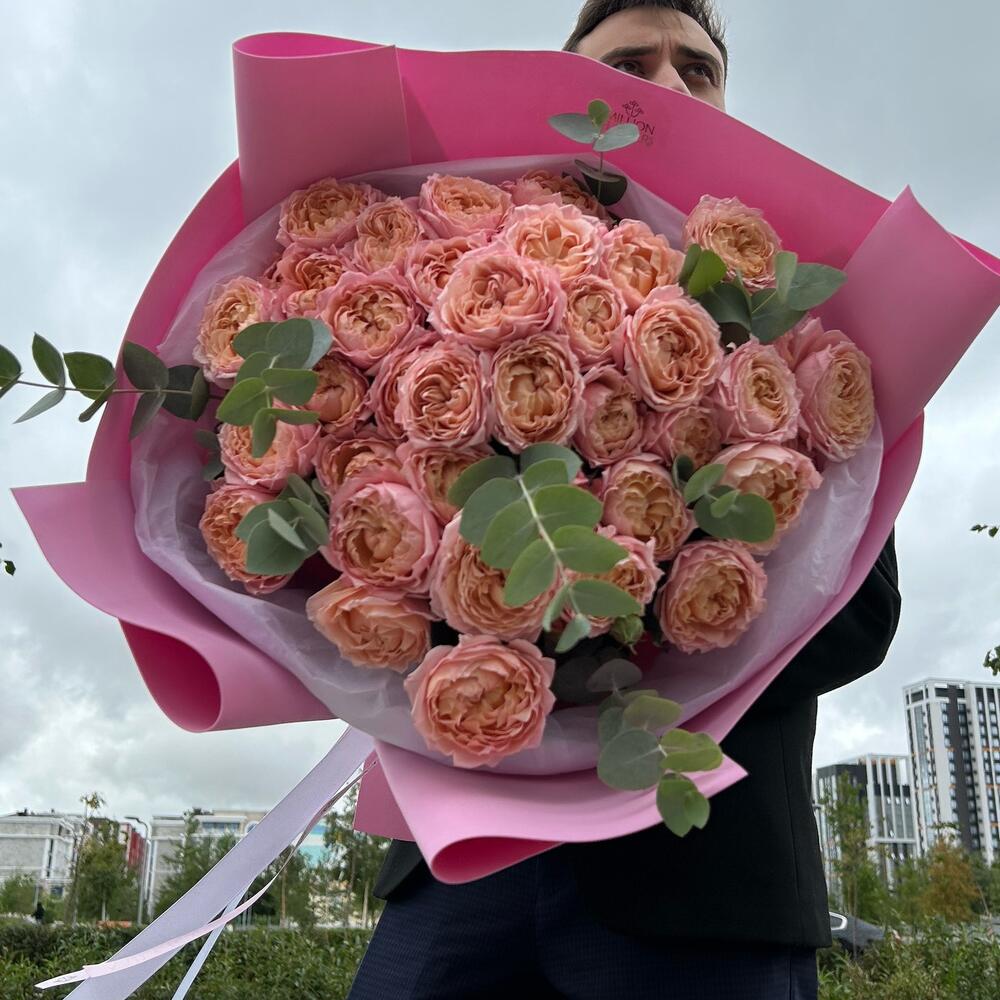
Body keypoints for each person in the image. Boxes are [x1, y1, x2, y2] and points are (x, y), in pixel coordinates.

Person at [347, 4, 901, 997]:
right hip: (463, 866)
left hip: (703, 879)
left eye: (698, 67)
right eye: (630, 65)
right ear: (569, 98)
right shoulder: (460, 278)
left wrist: (636, 632)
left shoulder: (798, 319)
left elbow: (862, 613)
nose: (668, 85)